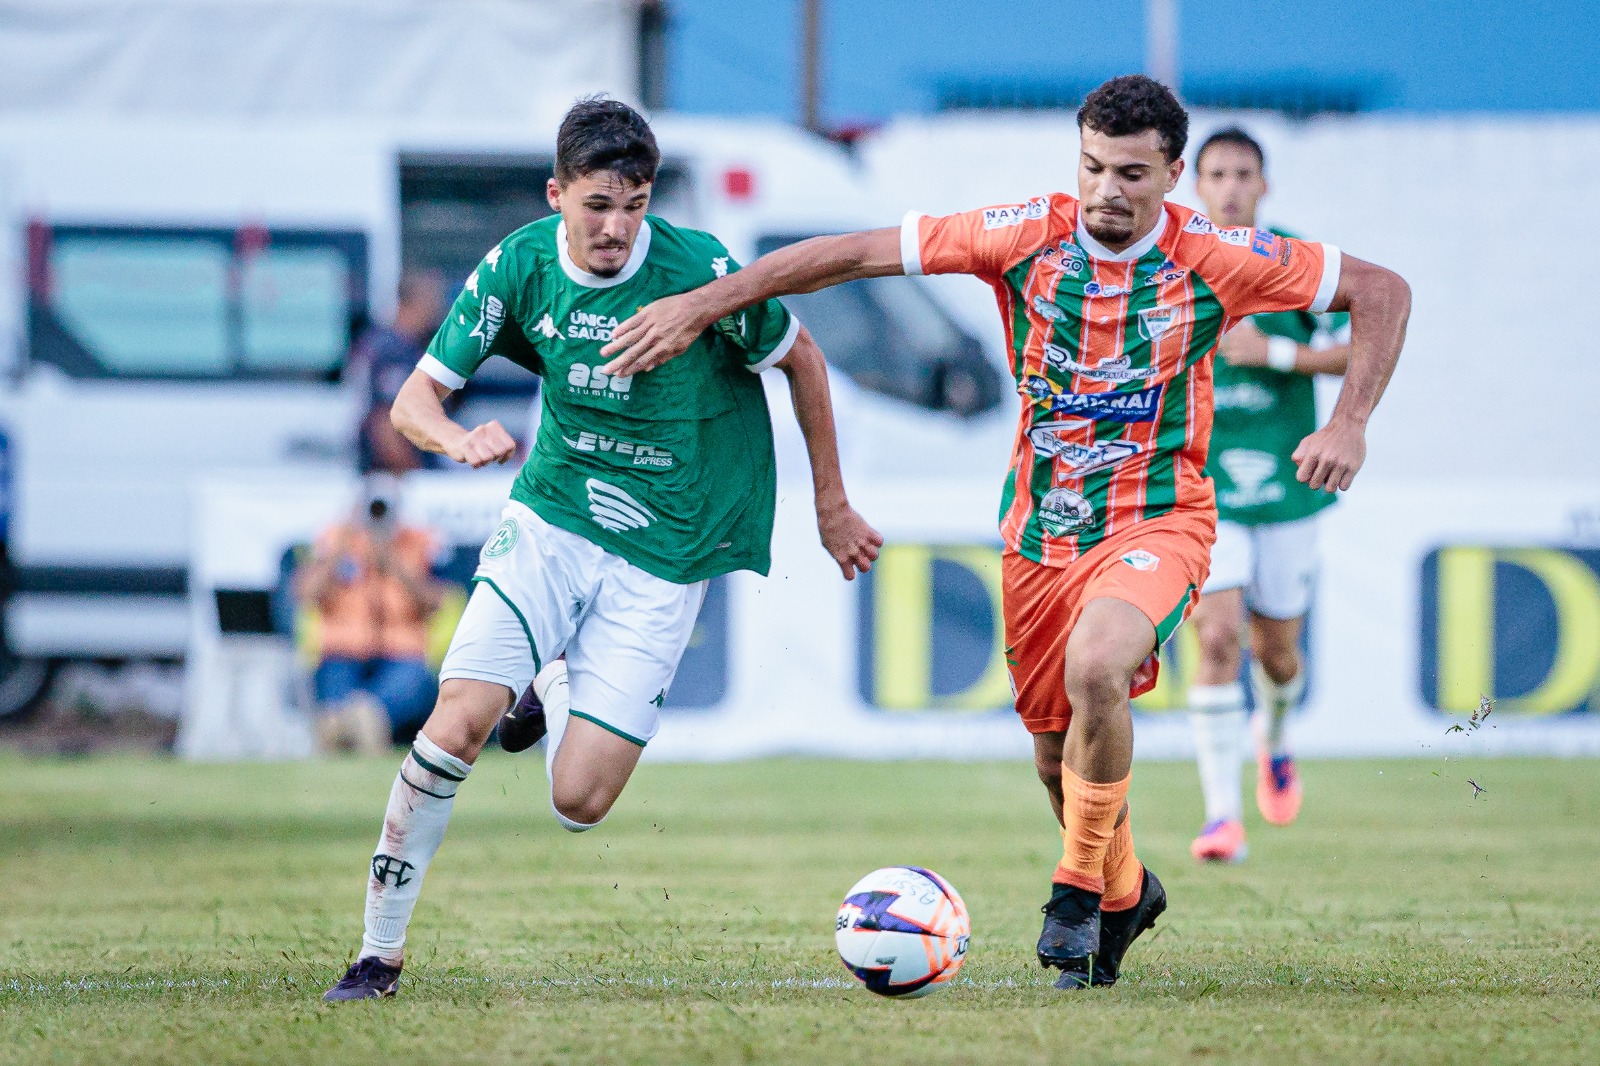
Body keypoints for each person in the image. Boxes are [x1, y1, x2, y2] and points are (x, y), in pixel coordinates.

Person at [599, 75, 1411, 990]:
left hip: (1160, 518)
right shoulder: (1024, 234)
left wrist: (1349, 421)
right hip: (1039, 537)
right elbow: (858, 253)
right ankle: (1126, 889)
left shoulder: (1221, 254)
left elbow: (1383, 289)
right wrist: (710, 302)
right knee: (1054, 757)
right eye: (1094, 166)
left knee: (1101, 664)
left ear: (1174, 175)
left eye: (1134, 175)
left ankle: (1073, 891)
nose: (1110, 189)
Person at [322, 97, 882, 1001]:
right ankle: (375, 956)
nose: (618, 226)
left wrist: (832, 504)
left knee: (579, 802)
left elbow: (804, 359)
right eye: (598, 205)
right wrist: (455, 442)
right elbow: (411, 402)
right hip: (552, 520)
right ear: (558, 196)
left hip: (665, 551)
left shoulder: (699, 271)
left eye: (635, 203)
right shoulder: (519, 266)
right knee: (453, 726)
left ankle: (549, 681)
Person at [1185, 128, 1353, 864]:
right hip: (1204, 484)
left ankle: (1274, 737)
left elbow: (1363, 340)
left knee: (1276, 654)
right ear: (1195, 185)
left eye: (1242, 173)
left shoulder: (1297, 264)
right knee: (1216, 638)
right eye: (1216, 173)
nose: (1229, 187)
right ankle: (1222, 816)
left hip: (1288, 483)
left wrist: (1274, 353)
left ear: (1264, 184)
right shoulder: (1176, 263)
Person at [293, 480, 446, 754]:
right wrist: (340, 547)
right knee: (335, 687)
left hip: (401, 652)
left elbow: (436, 603)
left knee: (413, 681)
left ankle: (360, 721)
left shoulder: (418, 541)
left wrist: (394, 563)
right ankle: (350, 724)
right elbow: (306, 594)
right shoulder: (335, 539)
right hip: (343, 652)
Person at [350, 271, 446, 474]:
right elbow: (386, 423)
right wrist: (417, 477)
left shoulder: (384, 343)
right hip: (393, 477)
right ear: (416, 301)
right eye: (433, 299)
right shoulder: (395, 351)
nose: (438, 309)